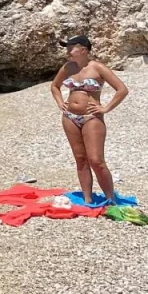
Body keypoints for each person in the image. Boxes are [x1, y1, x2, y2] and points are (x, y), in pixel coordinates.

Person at [48, 35, 128, 206]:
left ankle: (111, 199)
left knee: (96, 160)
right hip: (69, 117)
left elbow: (122, 89)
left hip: (91, 117)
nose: (68, 51)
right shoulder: (68, 67)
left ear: (83, 50)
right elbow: (54, 86)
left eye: (71, 48)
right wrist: (60, 102)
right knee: (80, 158)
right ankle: (87, 199)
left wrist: (105, 108)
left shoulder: (98, 67)